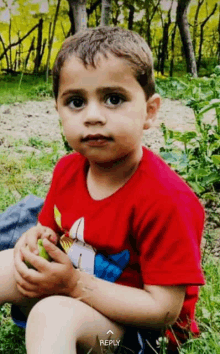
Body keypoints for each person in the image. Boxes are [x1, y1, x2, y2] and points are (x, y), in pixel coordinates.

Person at [0, 26, 205, 354]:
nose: (93, 116)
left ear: (150, 111)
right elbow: (51, 231)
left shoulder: (166, 198)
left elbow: (164, 310)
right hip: (77, 288)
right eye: (76, 102)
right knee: (7, 262)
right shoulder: (68, 169)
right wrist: (35, 238)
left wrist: (74, 285)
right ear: (59, 110)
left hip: (141, 329)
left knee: (50, 316)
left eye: (114, 99)